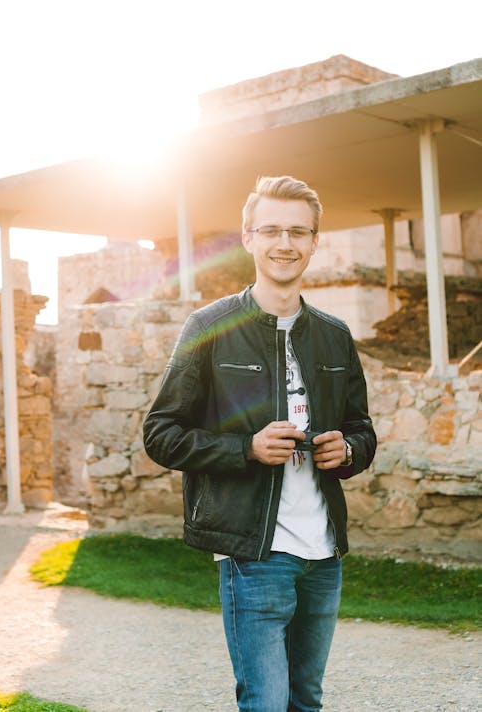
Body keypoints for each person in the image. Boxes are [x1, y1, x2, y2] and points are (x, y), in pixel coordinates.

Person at [143, 175, 376, 711]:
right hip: (254, 555)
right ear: (248, 237)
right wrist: (244, 449)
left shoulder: (335, 334)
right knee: (266, 704)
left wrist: (349, 451)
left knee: (306, 701)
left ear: (315, 241)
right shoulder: (209, 326)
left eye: (299, 231)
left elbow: (363, 430)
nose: (285, 243)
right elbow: (160, 433)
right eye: (271, 229)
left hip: (324, 554)